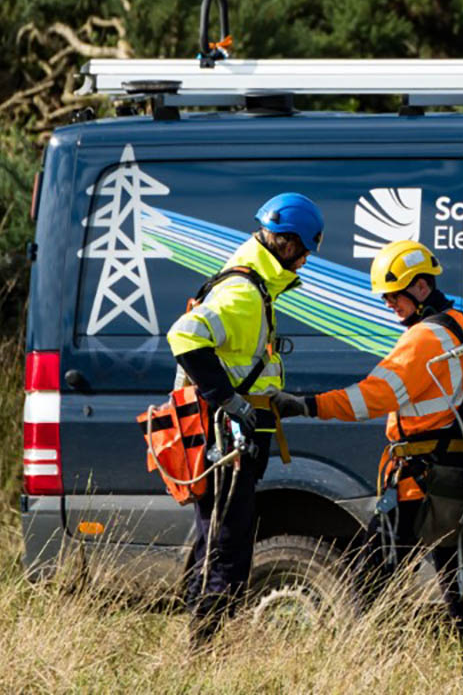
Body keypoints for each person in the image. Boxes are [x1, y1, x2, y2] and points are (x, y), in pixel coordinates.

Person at [271, 239, 463, 650]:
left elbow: (372, 396)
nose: (389, 306)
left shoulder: (424, 339)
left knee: (372, 578)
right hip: (458, 477)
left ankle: (373, 658)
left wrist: (305, 405)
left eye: (393, 296)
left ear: (419, 288)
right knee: (461, 585)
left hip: (418, 482)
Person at [166, 192, 324, 644]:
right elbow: (184, 337)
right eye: (305, 249)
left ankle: (201, 636)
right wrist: (228, 401)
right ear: (287, 242)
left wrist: (264, 395)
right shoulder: (244, 291)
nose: (306, 260)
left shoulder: (251, 282)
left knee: (215, 535)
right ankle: (205, 642)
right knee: (227, 544)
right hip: (229, 437)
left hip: (236, 433)